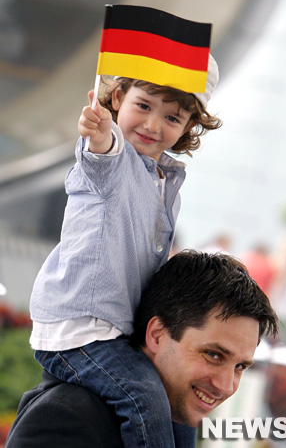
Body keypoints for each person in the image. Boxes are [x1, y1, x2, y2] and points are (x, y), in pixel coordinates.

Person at [28, 55, 221, 448]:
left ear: (188, 127)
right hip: (81, 331)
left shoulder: (164, 181)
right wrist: (99, 133)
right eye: (143, 106)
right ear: (117, 97)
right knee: (145, 399)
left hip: (120, 332)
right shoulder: (111, 160)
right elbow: (103, 152)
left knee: (179, 408)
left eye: (172, 118)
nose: (152, 124)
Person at [7, 250, 279, 447]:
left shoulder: (173, 421)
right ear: (157, 335)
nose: (226, 385)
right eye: (213, 355)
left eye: (240, 367)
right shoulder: (68, 418)